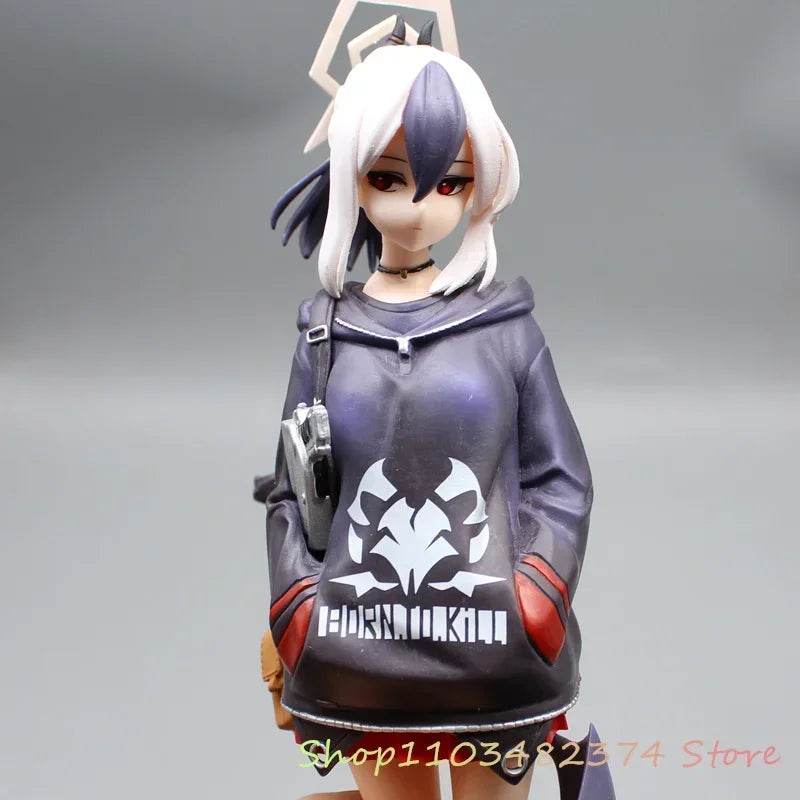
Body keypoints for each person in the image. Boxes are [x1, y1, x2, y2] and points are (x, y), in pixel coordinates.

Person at [264, 14, 613, 800]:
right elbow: (291, 490)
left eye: (449, 182)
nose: (419, 205)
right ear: (351, 177)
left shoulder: (507, 330)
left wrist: (536, 599)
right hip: (358, 654)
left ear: (480, 183)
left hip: (493, 655)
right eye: (389, 178)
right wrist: (298, 607)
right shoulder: (324, 335)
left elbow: (561, 481)